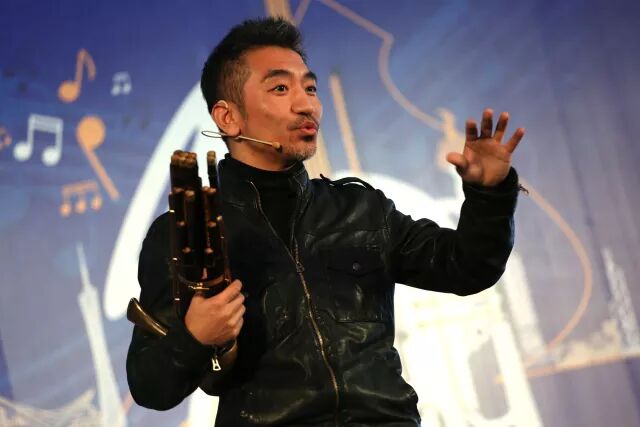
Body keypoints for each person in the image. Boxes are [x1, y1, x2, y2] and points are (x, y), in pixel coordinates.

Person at [126, 17, 525, 426]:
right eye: (281, 89)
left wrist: (490, 194)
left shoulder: (359, 208)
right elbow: (149, 386)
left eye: (311, 88)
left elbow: (467, 267)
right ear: (227, 118)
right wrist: (194, 338)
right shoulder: (186, 231)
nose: (307, 105)